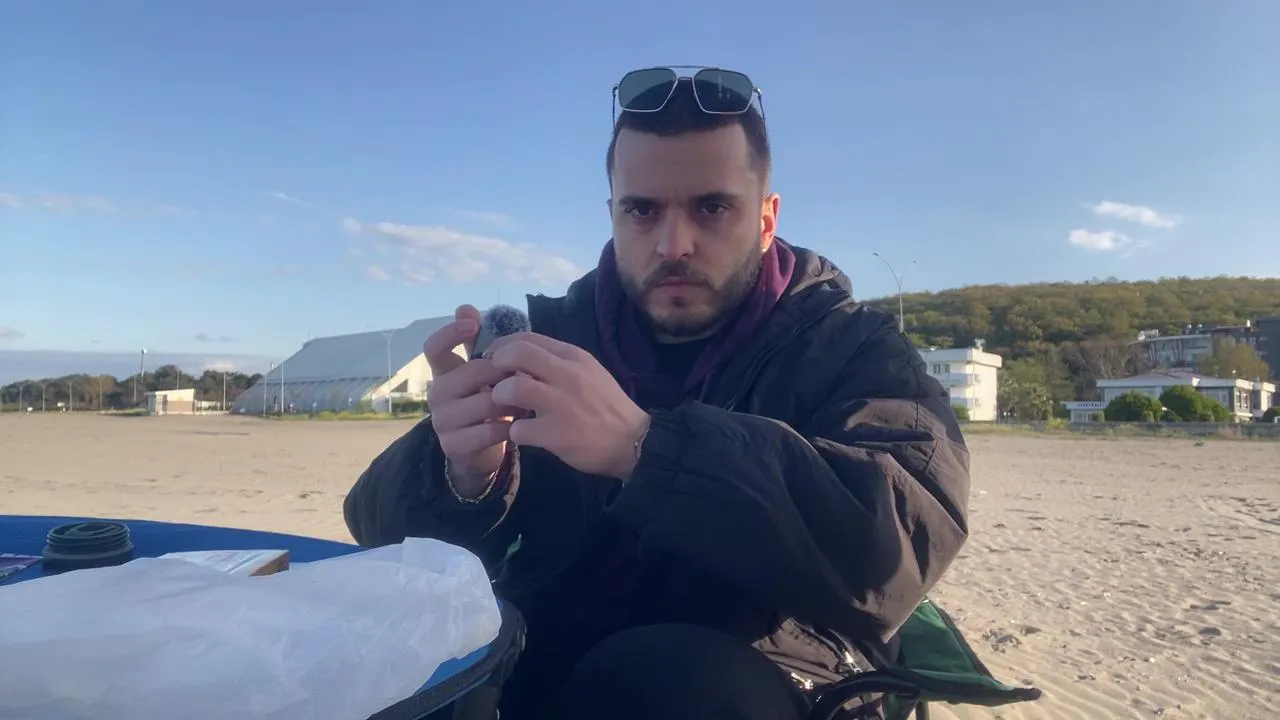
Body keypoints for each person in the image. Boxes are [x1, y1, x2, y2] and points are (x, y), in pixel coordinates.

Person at [344, 66, 970, 720]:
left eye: (711, 207)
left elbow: (900, 549)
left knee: (671, 680)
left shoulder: (854, 348)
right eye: (642, 210)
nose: (674, 245)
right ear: (613, 215)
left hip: (773, 675)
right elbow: (374, 531)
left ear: (765, 218)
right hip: (550, 661)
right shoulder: (553, 338)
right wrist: (463, 473)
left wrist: (647, 448)